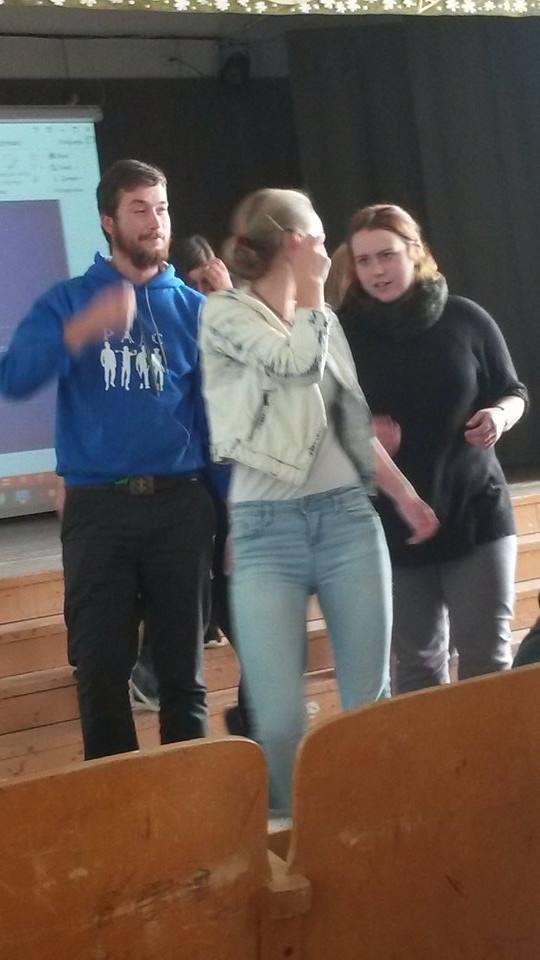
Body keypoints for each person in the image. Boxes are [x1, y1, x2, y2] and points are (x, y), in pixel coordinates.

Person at [200, 188, 438, 814]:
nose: (328, 250)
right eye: (318, 235)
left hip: (347, 521)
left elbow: (349, 421)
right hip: (266, 532)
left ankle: (371, 830)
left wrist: (405, 495)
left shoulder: (321, 318)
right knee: (278, 720)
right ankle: (293, 839)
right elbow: (293, 366)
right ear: (292, 242)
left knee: (369, 704)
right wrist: (310, 292)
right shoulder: (225, 312)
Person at [0, 159, 222, 760]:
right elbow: (14, 377)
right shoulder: (70, 299)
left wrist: (227, 517)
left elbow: (215, 424)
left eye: (162, 208)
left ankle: (189, 797)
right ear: (108, 221)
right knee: (100, 672)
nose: (155, 222)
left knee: (183, 676)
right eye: (139, 209)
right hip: (99, 510)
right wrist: (82, 330)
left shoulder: (192, 309)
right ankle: (117, 803)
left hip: (180, 506)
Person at [339, 203, 528, 694]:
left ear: (415, 252)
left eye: (387, 255)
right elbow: (326, 420)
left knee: (487, 662)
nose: (377, 270)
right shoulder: (341, 333)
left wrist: (500, 415)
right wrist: (358, 434)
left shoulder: (464, 316)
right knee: (417, 669)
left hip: (476, 511)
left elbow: (514, 391)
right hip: (392, 524)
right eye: (364, 261)